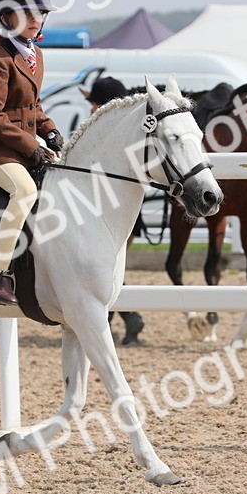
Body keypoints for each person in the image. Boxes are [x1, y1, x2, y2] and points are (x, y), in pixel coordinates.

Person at [0, 0, 63, 306]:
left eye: (40, 13)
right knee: (24, 191)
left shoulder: (34, 57)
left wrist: (50, 131)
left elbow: (32, 106)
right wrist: (31, 145)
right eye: (27, 13)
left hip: (22, 147)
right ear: (7, 17)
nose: (36, 20)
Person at [85, 76, 145, 345]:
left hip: (102, 214)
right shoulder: (129, 132)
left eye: (94, 104)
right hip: (124, 215)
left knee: (103, 271)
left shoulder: (102, 132)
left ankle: (124, 320)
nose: (91, 109)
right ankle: (124, 320)